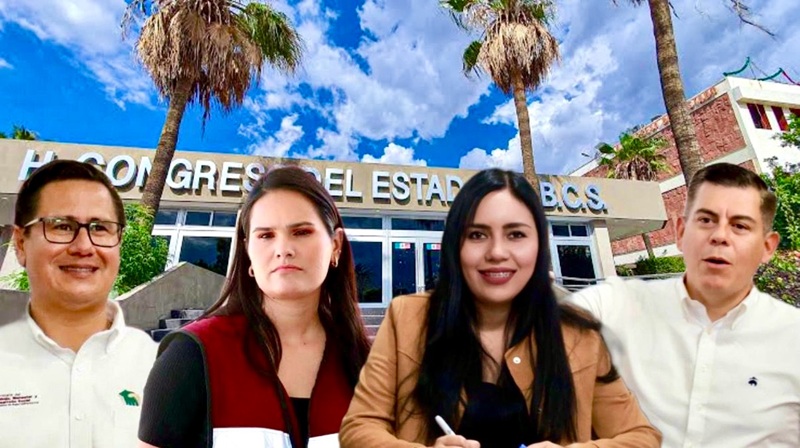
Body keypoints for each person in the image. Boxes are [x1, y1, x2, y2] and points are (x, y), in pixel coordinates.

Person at [340, 169, 661, 448]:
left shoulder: (580, 334)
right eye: (477, 234)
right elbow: (359, 427)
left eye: (516, 234)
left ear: (538, 246)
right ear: (455, 246)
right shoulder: (406, 317)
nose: (496, 252)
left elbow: (641, 437)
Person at [565, 162, 799, 447]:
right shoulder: (615, 304)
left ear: (767, 247)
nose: (719, 236)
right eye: (706, 220)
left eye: (740, 226)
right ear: (680, 232)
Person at [138, 166, 371, 448]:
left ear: (335, 245)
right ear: (248, 251)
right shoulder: (193, 353)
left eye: (301, 232)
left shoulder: (369, 366)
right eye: (266, 236)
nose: (283, 249)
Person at [0, 159, 157, 448]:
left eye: (100, 228)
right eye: (62, 226)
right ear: (21, 244)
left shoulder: (161, 366)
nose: (84, 246)